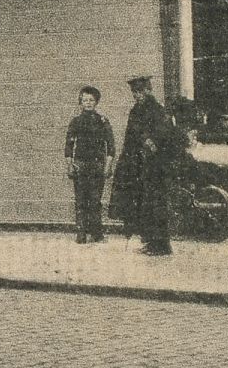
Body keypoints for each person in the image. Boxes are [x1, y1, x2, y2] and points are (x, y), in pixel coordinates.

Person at [115, 74, 179, 257]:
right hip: (138, 165)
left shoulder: (158, 110)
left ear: (149, 90)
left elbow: (164, 136)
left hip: (156, 166)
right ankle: (150, 242)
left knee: (156, 205)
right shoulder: (135, 111)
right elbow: (130, 137)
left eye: (141, 91)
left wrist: (150, 142)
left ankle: (162, 245)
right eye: (135, 92)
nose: (137, 95)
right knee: (143, 205)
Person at [64, 86, 115, 245]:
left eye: (91, 100)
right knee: (80, 200)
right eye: (85, 100)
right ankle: (81, 234)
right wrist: (70, 165)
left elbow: (110, 145)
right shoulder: (76, 122)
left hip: (97, 165)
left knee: (95, 200)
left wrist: (108, 166)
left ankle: (96, 233)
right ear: (80, 102)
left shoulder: (102, 121)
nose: (88, 103)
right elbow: (68, 146)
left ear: (96, 102)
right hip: (80, 165)